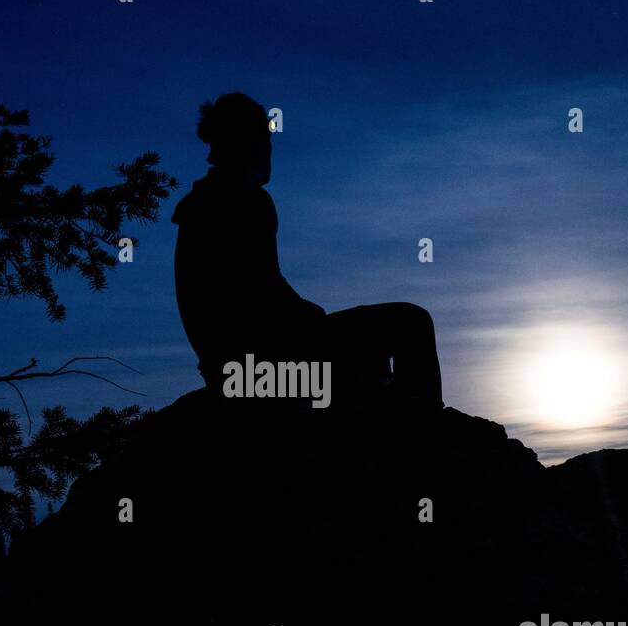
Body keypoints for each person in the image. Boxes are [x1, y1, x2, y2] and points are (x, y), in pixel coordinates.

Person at [171, 93, 444, 410]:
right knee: (412, 322)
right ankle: (427, 432)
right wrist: (311, 318)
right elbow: (261, 297)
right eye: (265, 140)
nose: (270, 150)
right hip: (266, 374)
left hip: (232, 375)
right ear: (249, 143)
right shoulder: (246, 202)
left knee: (372, 359)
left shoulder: (200, 206)